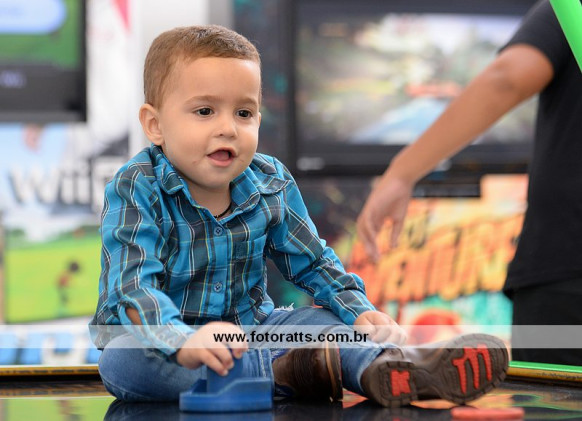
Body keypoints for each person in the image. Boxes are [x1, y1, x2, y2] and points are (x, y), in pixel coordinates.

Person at [89, 24, 508, 405]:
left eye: (243, 113)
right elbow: (132, 289)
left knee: (326, 322)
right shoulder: (136, 185)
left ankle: (392, 367)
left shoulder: (270, 180)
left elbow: (314, 263)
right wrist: (183, 341)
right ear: (155, 125)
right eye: (205, 111)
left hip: (255, 331)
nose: (228, 128)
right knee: (123, 361)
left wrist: (360, 312)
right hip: (161, 339)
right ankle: (287, 372)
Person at [357, 0, 582, 366]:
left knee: (554, 397)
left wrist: (402, 172)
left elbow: (508, 78)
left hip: (567, 269)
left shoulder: (570, 7)